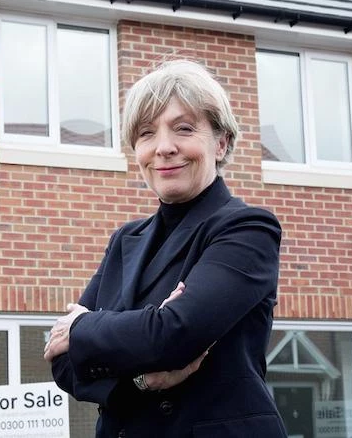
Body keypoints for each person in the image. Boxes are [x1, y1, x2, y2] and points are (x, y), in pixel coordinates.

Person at [44, 60, 287, 437]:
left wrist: (82, 326)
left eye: (184, 129)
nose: (164, 148)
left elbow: (176, 334)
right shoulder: (125, 241)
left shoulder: (247, 228)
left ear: (220, 143)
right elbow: (62, 365)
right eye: (146, 134)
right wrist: (143, 378)